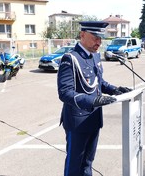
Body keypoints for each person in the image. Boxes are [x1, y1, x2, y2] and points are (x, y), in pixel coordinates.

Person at [57, 21, 132, 176]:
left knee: (88, 163)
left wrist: (115, 90)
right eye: (95, 37)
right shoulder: (70, 58)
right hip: (77, 121)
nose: (99, 42)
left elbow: (98, 82)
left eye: (101, 38)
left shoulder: (95, 56)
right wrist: (93, 101)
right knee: (74, 166)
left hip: (94, 119)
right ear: (82, 35)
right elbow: (65, 92)